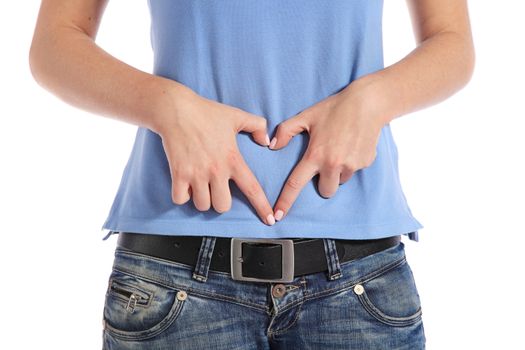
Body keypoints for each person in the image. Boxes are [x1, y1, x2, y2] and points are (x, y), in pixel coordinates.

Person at [29, 0, 474, 349]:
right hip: (174, 276)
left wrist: (373, 100)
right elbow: (54, 43)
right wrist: (168, 106)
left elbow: (451, 40)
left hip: (360, 277)